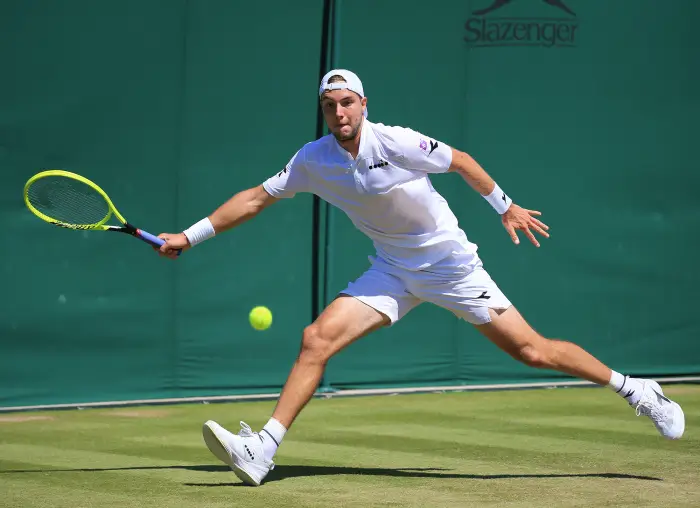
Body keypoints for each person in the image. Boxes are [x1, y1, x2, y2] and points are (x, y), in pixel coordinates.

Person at [155, 69, 685, 486]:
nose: (339, 112)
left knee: (532, 351)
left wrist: (504, 206)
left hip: (451, 266)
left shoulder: (396, 142)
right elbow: (254, 199)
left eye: (347, 102)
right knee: (315, 339)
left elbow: (462, 161)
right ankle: (262, 450)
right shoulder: (313, 160)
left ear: (364, 105)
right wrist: (189, 236)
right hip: (390, 269)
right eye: (329, 105)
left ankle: (636, 389)